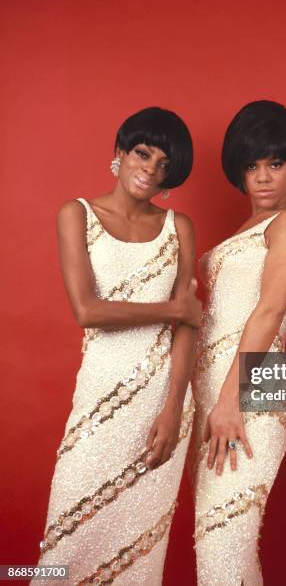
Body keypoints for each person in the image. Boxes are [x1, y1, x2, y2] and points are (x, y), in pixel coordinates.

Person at [34, 107, 202, 585]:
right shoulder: (77, 214)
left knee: (137, 554)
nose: (149, 169)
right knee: (66, 538)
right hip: (99, 399)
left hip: (162, 406)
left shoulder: (179, 227)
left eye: (163, 164)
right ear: (120, 153)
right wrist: (173, 310)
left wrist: (172, 410)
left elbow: (190, 330)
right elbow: (88, 310)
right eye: (142, 153)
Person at [191, 100, 286, 585]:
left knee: (224, 541)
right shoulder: (251, 226)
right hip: (214, 393)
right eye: (251, 165)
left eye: (275, 163)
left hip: (250, 391)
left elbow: (268, 312)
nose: (263, 177)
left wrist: (231, 399)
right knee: (216, 543)